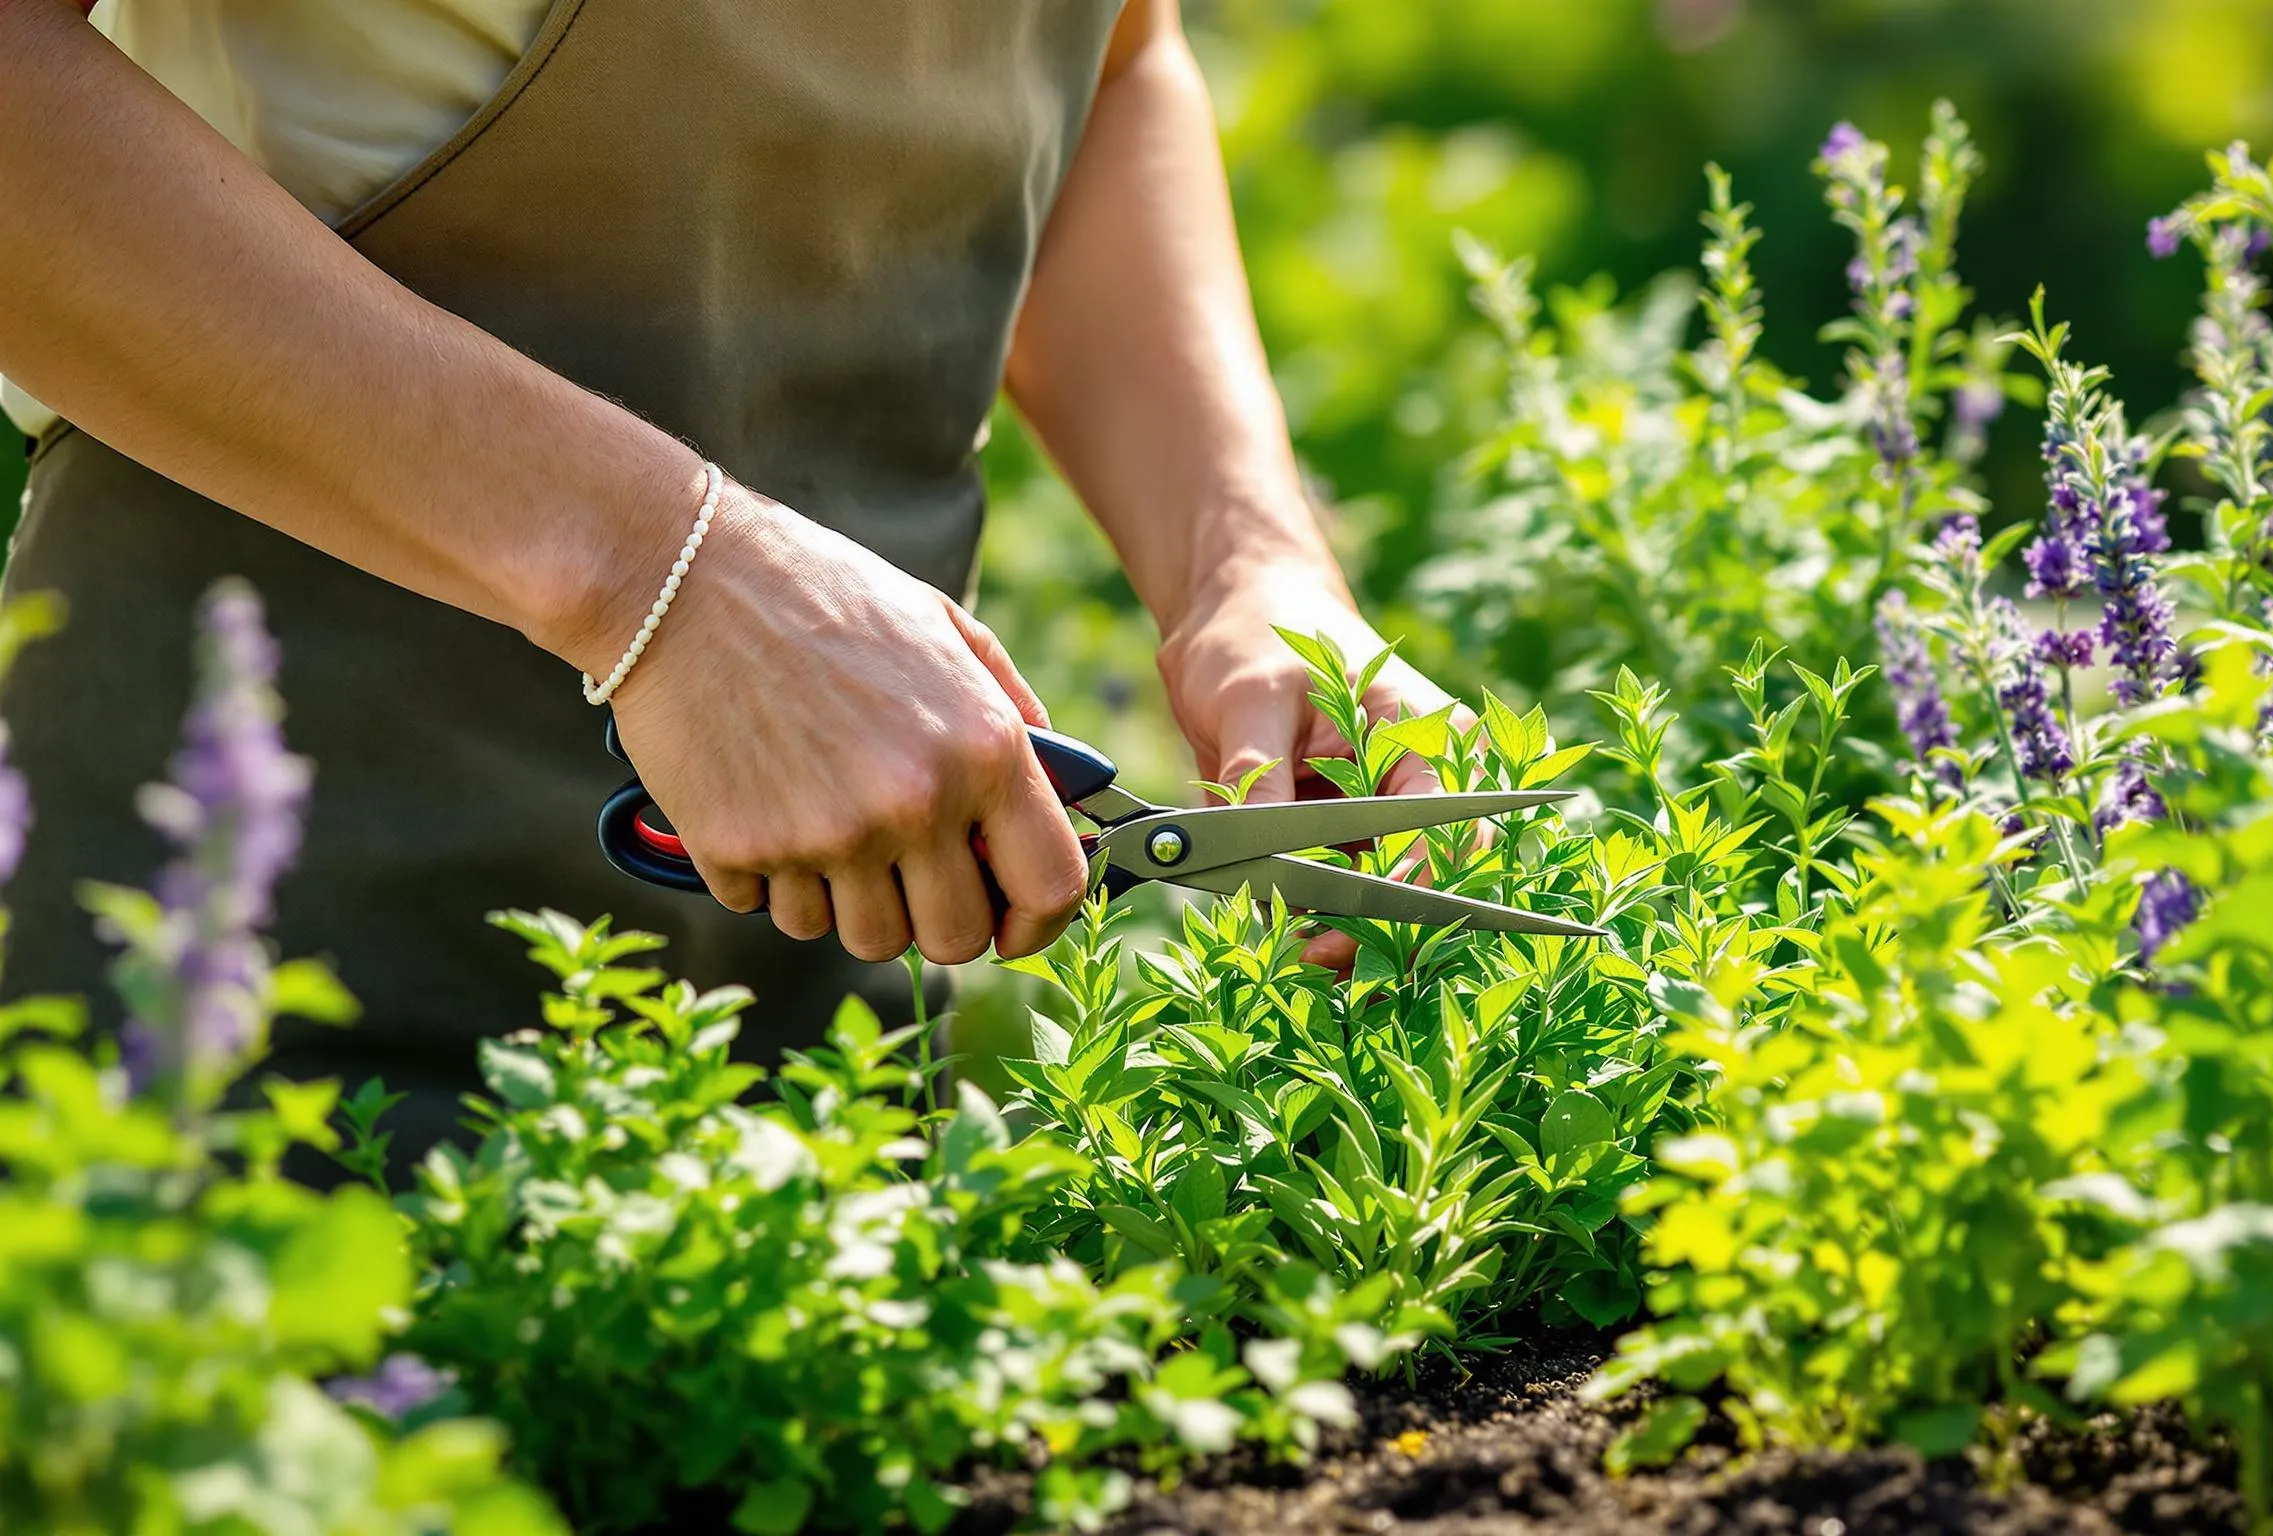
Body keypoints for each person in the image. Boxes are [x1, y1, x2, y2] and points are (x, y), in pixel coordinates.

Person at [0, 0, 1456, 1150]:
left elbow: (1115, 54)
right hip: (254, 1000)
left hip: (817, 1079)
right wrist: (665, 575)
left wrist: (1242, 558)